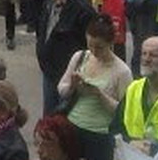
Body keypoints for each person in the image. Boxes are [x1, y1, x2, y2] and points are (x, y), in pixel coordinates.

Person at [56, 14, 131, 160]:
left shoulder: (122, 71)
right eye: (90, 45)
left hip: (100, 135)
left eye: (100, 47)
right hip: (72, 127)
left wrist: (98, 94)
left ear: (111, 43)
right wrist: (72, 85)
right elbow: (61, 89)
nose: (94, 51)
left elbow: (124, 112)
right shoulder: (80, 57)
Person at [34, 0, 95, 114]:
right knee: (49, 116)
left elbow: (91, 47)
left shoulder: (84, 9)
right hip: (48, 72)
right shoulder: (48, 1)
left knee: (65, 119)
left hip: (69, 75)